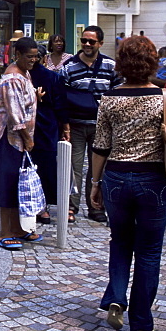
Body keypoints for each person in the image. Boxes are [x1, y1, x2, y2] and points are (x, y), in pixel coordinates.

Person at [89, 35, 166, 331]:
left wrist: (95, 184)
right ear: (151, 63)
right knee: (148, 250)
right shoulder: (165, 98)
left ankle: (117, 296)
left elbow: (101, 145)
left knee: (119, 241)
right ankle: (142, 320)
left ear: (122, 63)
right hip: (154, 181)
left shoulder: (109, 98)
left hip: (117, 177)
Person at [0, 37, 42, 251]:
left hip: (19, 140)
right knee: (6, 184)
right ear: (17, 55)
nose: (33, 60)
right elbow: (14, 114)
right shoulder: (11, 78)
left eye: (36, 57)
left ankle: (17, 228)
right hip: (8, 139)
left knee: (18, 183)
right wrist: (27, 138)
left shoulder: (25, 74)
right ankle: (5, 231)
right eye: (29, 57)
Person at [60, 25, 122, 224]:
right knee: (74, 167)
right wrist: (65, 125)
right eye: (84, 40)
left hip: (101, 126)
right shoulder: (69, 67)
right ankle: (71, 206)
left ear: (100, 44)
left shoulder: (111, 66)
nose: (86, 44)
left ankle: (96, 206)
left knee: (99, 168)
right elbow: (61, 97)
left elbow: (119, 93)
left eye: (91, 41)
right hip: (76, 125)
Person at [29, 58, 66, 225]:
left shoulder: (21, 74)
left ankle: (33, 205)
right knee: (46, 167)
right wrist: (65, 127)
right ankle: (43, 207)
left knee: (29, 166)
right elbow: (60, 105)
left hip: (32, 126)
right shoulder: (52, 77)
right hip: (47, 127)